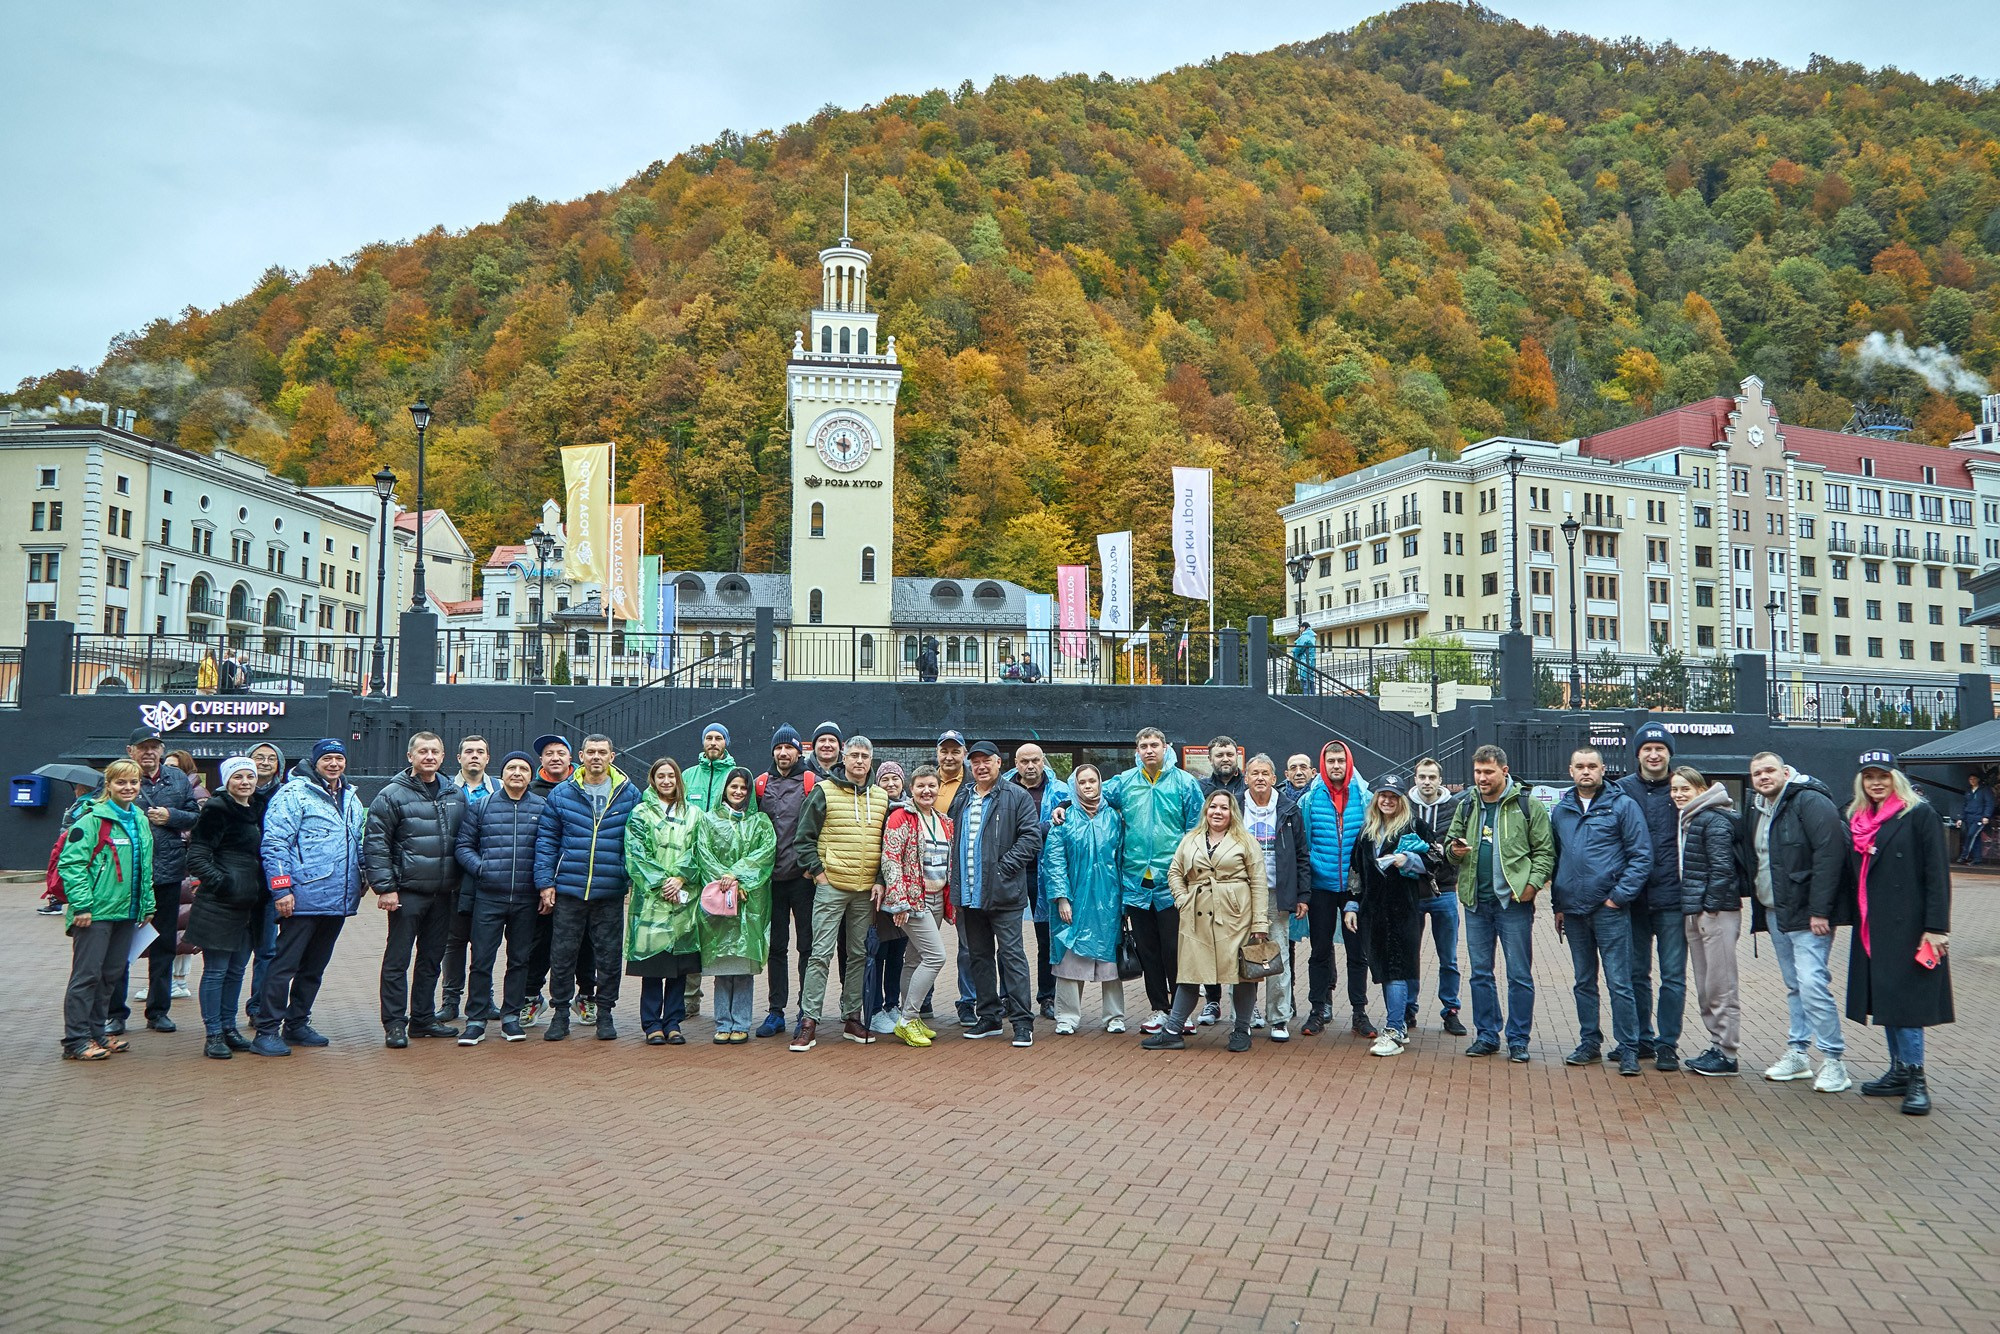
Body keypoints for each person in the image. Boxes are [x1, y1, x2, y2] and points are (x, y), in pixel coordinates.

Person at [1845, 752, 1953, 1117]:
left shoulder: (1918, 814)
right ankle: (1899, 1071)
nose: (1876, 783)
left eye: (1883, 776)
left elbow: (1937, 875)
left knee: (1906, 1005)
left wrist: (1936, 928)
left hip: (1908, 927)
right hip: (1872, 926)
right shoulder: (1860, 819)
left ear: (1896, 779)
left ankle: (1918, 1078)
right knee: (1887, 1000)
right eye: (1869, 777)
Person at [1740, 750, 1853, 1092]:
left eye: (1769, 770)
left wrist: (1821, 909)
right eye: (1757, 773)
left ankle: (1834, 1061)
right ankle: (1798, 1053)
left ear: (1785, 771)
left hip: (1809, 913)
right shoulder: (1757, 809)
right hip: (1776, 910)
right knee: (1794, 984)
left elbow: (1830, 854)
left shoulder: (1810, 801)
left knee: (1811, 982)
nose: (1763, 777)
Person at [254, 739, 367, 1056]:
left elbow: (357, 840)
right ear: (315, 762)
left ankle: (297, 1023)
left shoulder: (350, 797)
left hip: (338, 899)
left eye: (339, 758)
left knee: (315, 967)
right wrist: (281, 889)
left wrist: (364, 874)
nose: (334, 764)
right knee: (284, 966)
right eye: (328, 758)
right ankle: (266, 1029)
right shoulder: (293, 794)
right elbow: (275, 844)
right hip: (301, 898)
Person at [1087, 728, 1203, 1034]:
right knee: (1147, 950)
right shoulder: (1124, 783)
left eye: (1154, 745)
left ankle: (1182, 1010)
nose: (1149, 750)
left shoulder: (1185, 783)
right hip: (1136, 881)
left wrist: (1190, 876)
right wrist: (1062, 807)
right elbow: (1089, 793)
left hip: (1173, 882)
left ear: (1166, 747)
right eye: (1143, 746)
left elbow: (1196, 831)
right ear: (1136, 751)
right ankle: (1159, 1009)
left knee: (1175, 950)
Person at [1444, 745, 1555, 1063]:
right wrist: (1454, 851)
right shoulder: (1466, 804)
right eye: (1477, 771)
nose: (1481, 777)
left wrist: (1532, 885)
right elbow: (1450, 846)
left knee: (1519, 974)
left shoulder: (1525, 804)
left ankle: (1518, 1040)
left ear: (1504, 771)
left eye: (1488, 772)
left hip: (1513, 903)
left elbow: (1545, 851)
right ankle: (1487, 1036)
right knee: (1480, 973)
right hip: (1476, 902)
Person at [1549, 746, 1651, 1076]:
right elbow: (1557, 858)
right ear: (1570, 771)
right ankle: (1589, 1043)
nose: (1586, 771)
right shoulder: (1561, 810)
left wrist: (1617, 898)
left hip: (1609, 910)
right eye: (1580, 766)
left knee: (1619, 981)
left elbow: (1641, 857)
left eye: (1592, 765)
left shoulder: (1622, 806)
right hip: (1574, 912)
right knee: (1583, 981)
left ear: (1603, 769)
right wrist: (1558, 905)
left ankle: (1629, 1048)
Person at [1144, 791, 1271, 1051]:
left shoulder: (1245, 841)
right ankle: (1172, 1030)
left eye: (1224, 808)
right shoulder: (1190, 839)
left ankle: (1241, 1030)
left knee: (1243, 974)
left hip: (1236, 916)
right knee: (1191, 972)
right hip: (1197, 916)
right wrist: (1182, 899)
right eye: (1213, 806)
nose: (1217, 812)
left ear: (1232, 812)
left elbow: (1259, 882)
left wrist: (1259, 924)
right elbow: (1175, 872)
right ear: (1205, 810)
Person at [533, 733, 640, 1042]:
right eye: (591, 751)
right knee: (562, 954)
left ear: (612, 757)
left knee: (608, 956)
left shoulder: (629, 793)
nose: (596, 757)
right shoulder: (563, 793)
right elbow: (547, 840)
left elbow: (636, 841)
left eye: (602, 752)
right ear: (581, 755)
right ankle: (561, 1014)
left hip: (609, 890)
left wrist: (627, 875)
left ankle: (605, 1013)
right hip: (569, 888)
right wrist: (545, 883)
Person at [365, 731, 467, 1048]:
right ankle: (395, 1023)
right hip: (407, 892)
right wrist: (385, 887)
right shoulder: (391, 795)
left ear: (443, 756)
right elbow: (376, 844)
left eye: (435, 751)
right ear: (410, 756)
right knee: (397, 960)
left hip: (443, 894)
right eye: (422, 751)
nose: (429, 756)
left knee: (431, 960)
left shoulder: (454, 794)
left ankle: (422, 1019)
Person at [790, 735, 889, 1050]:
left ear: (870, 760)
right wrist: (819, 874)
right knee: (820, 955)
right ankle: (809, 1021)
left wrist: (878, 878)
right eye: (854, 755)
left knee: (858, 955)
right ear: (843, 759)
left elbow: (885, 843)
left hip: (864, 891)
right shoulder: (824, 791)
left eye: (864, 756)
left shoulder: (881, 797)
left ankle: (851, 1018)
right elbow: (803, 837)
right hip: (831, 886)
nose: (859, 761)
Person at [57, 759, 154, 1060]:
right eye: (121, 782)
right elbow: (71, 865)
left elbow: (145, 867)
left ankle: (98, 1033)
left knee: (111, 974)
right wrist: (82, 905)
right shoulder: (91, 819)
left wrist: (147, 905)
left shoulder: (139, 818)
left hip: (126, 912)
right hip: (95, 913)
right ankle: (76, 1040)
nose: (128, 788)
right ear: (108, 785)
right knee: (86, 976)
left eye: (133, 782)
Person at [952, 741, 1043, 1048]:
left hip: (1004, 894)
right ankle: (989, 1017)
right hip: (970, 894)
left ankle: (1021, 1022)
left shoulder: (1016, 796)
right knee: (978, 957)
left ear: (999, 763)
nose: (980, 766)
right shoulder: (962, 797)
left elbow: (1031, 838)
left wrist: (1003, 868)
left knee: (1012, 955)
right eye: (975, 762)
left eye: (986, 761)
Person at [453, 750, 547, 1044]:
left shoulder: (543, 808)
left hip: (526, 899)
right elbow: (463, 846)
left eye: (523, 768)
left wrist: (544, 885)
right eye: (511, 768)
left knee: (519, 960)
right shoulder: (482, 806)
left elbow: (551, 849)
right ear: (502, 773)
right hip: (488, 897)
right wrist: (482, 869)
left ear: (531, 775)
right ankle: (476, 1020)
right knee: (481, 960)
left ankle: (511, 1017)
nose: (517, 772)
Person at [1344, 776, 1441, 1057]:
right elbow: (1356, 871)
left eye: (1394, 796)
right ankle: (1397, 1025)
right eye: (1383, 795)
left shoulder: (1415, 827)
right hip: (1373, 911)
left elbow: (1438, 859)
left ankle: (1395, 1030)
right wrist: (1352, 906)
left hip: (1402, 909)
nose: (1387, 800)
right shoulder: (1367, 831)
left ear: (1402, 800)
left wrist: (1408, 860)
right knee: (1384, 969)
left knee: (1397, 968)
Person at [111, 725, 198, 1036]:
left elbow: (195, 815)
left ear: (162, 750)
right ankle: (115, 1013)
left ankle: (158, 1010)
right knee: (120, 944)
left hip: (168, 873)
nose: (149, 752)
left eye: (154, 746)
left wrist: (171, 816)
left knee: (163, 943)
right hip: (126, 877)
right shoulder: (118, 777)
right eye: (142, 747)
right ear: (130, 750)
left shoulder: (177, 779)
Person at [1617, 722, 1688, 1073]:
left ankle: (1668, 1044)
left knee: (1673, 975)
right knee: (1635, 974)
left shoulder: (1683, 789)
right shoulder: (1621, 790)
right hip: (1634, 900)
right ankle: (1642, 1038)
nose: (1654, 753)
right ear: (1638, 754)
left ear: (1670, 753)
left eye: (1661, 748)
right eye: (1647, 748)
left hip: (1673, 899)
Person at [183, 757, 264, 1059]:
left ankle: (230, 1028)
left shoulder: (255, 809)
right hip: (220, 904)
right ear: (227, 781)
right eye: (238, 777)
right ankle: (213, 1032)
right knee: (216, 971)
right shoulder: (217, 810)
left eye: (250, 776)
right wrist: (224, 883)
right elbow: (198, 856)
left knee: (235, 971)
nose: (245, 782)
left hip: (248, 905)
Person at [691, 768, 776, 1043]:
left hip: (747, 901)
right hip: (719, 900)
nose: (738, 792)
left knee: (742, 967)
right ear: (725, 789)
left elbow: (764, 855)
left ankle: (741, 1022)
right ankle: (722, 1023)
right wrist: (724, 880)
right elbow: (703, 853)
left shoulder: (760, 822)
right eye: (734, 786)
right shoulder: (708, 821)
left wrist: (737, 877)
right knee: (722, 966)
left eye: (743, 788)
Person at [1042, 763, 1126, 1036]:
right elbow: (1054, 862)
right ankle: (1066, 1016)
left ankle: (1114, 1015)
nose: (1088, 786)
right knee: (1070, 958)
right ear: (1074, 786)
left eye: (1093, 781)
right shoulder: (1064, 819)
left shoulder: (1114, 818)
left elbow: (1122, 859)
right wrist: (1062, 898)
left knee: (1109, 961)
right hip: (1075, 899)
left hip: (1108, 899)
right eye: (1083, 782)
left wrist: (1123, 902)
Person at [1299, 738, 1375, 1039]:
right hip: (1321, 886)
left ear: (1348, 763)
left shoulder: (1364, 797)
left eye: (1340, 761)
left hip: (1355, 887)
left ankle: (1360, 1012)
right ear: (1323, 764)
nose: (1335, 766)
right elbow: (1304, 844)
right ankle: (1318, 1009)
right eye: (1330, 761)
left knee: (1358, 953)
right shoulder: (1310, 799)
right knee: (1319, 950)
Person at [1672, 766, 1744, 1077]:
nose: (1678, 794)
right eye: (1674, 789)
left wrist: (1709, 908)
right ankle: (1717, 1046)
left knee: (1720, 984)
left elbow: (1722, 868)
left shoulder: (1712, 819)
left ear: (1701, 789)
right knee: (1706, 985)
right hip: (1697, 911)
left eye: (1684, 788)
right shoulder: (1691, 819)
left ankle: (1727, 1053)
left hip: (1713, 913)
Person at [881, 764, 953, 1047]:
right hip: (912, 901)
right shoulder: (901, 817)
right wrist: (899, 902)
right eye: (921, 786)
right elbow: (891, 859)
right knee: (936, 957)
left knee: (913, 959)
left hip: (936, 899)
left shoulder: (945, 821)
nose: (927, 790)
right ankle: (908, 1019)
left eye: (932, 786)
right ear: (911, 789)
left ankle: (908, 1015)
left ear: (938, 789)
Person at [1241, 754, 1310, 1040]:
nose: (1259, 778)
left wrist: (1302, 894)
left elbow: (1302, 856)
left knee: (1277, 956)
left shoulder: (1289, 809)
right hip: (1241, 894)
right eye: (1254, 773)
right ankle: (1241, 1017)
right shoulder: (1234, 806)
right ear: (1246, 778)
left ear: (1273, 778)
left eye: (1264, 773)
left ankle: (1279, 1018)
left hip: (1276, 893)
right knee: (1241, 957)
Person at [755, 724, 815, 1038]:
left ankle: (806, 1012)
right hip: (771, 881)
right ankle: (776, 1012)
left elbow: (824, 827)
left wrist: (811, 868)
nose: (783, 753)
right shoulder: (761, 784)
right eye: (778, 748)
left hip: (803, 880)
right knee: (776, 948)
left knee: (807, 946)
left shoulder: (811, 782)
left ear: (797, 750)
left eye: (788, 748)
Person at [520, 733, 580, 1028]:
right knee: (538, 943)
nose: (555, 757)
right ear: (540, 760)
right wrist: (543, 882)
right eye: (548, 753)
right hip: (540, 882)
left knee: (584, 944)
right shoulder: (530, 791)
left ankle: (586, 996)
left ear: (571, 757)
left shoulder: (583, 788)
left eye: (560, 752)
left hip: (577, 881)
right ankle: (531, 997)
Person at [1005, 743, 1068, 1020]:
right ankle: (1007, 996)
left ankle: (1047, 996)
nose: (1030, 766)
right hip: (1011, 871)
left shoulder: (1062, 791)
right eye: (1024, 761)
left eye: (1035, 760)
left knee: (1047, 938)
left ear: (1044, 761)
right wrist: (1040, 830)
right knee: (1007, 938)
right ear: (1015, 763)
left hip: (1046, 872)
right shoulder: (1003, 787)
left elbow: (1066, 828)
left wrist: (1032, 832)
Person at [439, 734, 496, 1022]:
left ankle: (485, 998)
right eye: (469, 751)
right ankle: (450, 999)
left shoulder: (499, 788)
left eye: (480, 752)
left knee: (486, 941)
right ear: (458, 758)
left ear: (488, 758)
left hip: (490, 878)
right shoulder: (445, 790)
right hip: (454, 877)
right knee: (454, 940)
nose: (474, 756)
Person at [1409, 758, 1466, 1037]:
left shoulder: (1455, 807)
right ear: (1415, 778)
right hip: (1412, 892)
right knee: (1410, 953)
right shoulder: (1404, 805)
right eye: (1422, 776)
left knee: (1449, 957)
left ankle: (1451, 1011)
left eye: (1432, 777)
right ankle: (1409, 1007)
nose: (1427, 782)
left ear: (1440, 780)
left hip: (1445, 890)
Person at [241, 741, 285, 1034]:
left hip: (269, 886)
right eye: (259, 757)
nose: (265, 762)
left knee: (267, 951)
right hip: (237, 885)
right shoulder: (234, 794)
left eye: (271, 758)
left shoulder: (286, 795)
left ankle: (259, 1008)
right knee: (234, 953)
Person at [863, 761, 910, 1034]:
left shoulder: (911, 809)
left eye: (895, 778)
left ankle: (893, 1004)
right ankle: (876, 1007)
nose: (891, 784)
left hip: (904, 894)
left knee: (897, 952)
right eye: (885, 779)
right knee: (878, 951)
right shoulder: (875, 809)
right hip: (879, 893)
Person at [685, 724, 737, 812]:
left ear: (726, 742)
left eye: (718, 738)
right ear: (703, 742)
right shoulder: (687, 775)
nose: (713, 743)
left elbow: (748, 813)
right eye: (709, 738)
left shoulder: (737, 775)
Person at [1956, 769, 1992, 865]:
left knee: (1971, 835)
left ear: (1978, 780)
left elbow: (1989, 803)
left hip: (1979, 818)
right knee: (1975, 838)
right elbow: (1964, 805)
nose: (1972, 780)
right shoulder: (1968, 791)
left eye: (1974, 779)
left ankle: (1964, 856)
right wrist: (1961, 818)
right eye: (1970, 779)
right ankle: (1977, 859)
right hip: (1968, 817)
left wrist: (1986, 816)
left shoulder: (1984, 790)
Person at [1200, 737, 1246, 806]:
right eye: (1219, 755)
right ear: (1210, 759)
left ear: (1236, 756)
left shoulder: (1248, 786)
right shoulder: (1200, 788)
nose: (1225, 759)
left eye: (1230, 755)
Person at [1290, 626, 1316, 695]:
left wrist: (1293, 652)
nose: (1300, 629)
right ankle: (1313, 696)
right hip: (1311, 660)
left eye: (1300, 628)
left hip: (1305, 660)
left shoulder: (1305, 637)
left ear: (1304, 627)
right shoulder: (1312, 636)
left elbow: (1299, 648)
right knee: (1310, 680)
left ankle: (1307, 697)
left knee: (1304, 680)